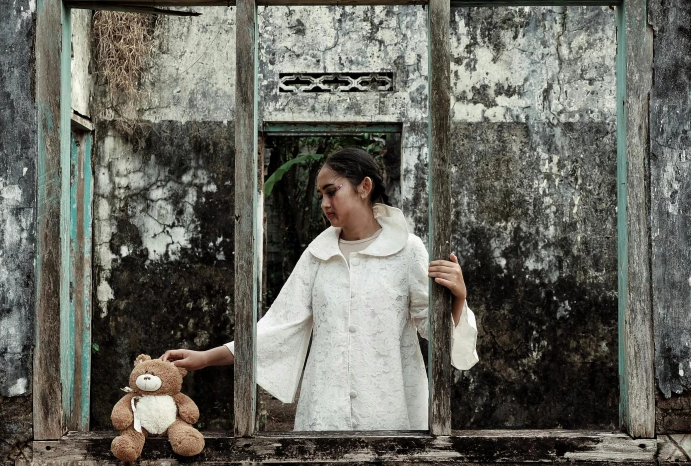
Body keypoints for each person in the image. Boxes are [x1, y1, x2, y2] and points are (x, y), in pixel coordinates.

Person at [161, 147, 479, 431]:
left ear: (364, 187)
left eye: (332, 192)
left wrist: (458, 298)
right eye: (320, 197)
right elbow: (278, 328)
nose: (325, 204)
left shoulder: (407, 249)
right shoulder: (317, 254)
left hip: (389, 409)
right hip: (326, 411)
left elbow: (433, 330)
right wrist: (204, 358)